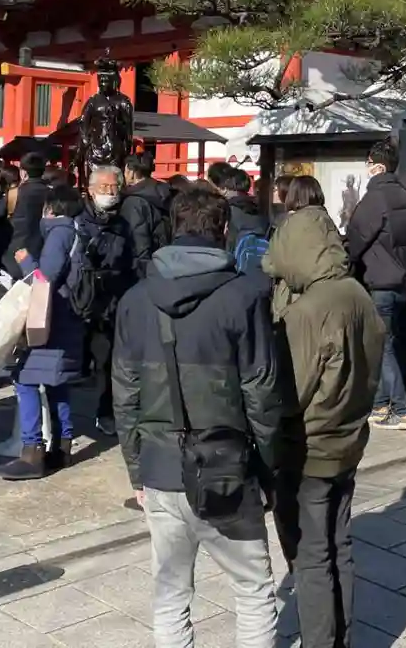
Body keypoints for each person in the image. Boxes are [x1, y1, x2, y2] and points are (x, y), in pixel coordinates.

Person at [111, 185, 283, 648]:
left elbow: (124, 395)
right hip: (228, 465)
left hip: (161, 465)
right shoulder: (246, 295)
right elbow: (261, 392)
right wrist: (268, 469)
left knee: (170, 593)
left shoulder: (135, 299)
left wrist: (136, 470)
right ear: (223, 230)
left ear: (173, 227)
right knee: (253, 588)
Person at [265, 176, 383, 648]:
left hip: (310, 448)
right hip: (349, 440)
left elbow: (290, 392)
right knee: (341, 545)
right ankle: (343, 637)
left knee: (311, 556)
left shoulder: (308, 311)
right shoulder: (357, 294)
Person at [1, 184, 87, 479]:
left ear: (51, 208)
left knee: (24, 379)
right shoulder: (79, 230)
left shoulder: (59, 232)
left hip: (52, 321)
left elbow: (44, 278)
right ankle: (62, 448)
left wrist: (25, 260)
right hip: (68, 318)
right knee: (56, 383)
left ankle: (32, 451)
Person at [344, 138, 406, 432]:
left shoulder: (375, 199)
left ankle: (401, 411)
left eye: (368, 164)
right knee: (387, 344)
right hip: (403, 282)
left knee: (382, 346)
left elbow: (356, 238)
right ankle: (380, 405)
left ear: (376, 166)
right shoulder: (404, 196)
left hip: (380, 283)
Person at [75, 165, 135, 438]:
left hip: (111, 302)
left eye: (115, 187)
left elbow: (130, 260)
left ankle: (105, 411)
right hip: (81, 300)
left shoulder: (123, 223)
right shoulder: (78, 220)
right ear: (91, 190)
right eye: (104, 187)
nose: (111, 193)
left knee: (106, 361)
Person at [120, 152, 172, 280]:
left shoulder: (134, 202)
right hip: (166, 260)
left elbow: (138, 242)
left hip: (144, 269)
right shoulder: (166, 193)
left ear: (131, 172)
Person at [8, 152, 51, 278]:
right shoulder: (52, 193)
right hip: (44, 250)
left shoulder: (14, 194)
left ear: (23, 172)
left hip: (16, 252)